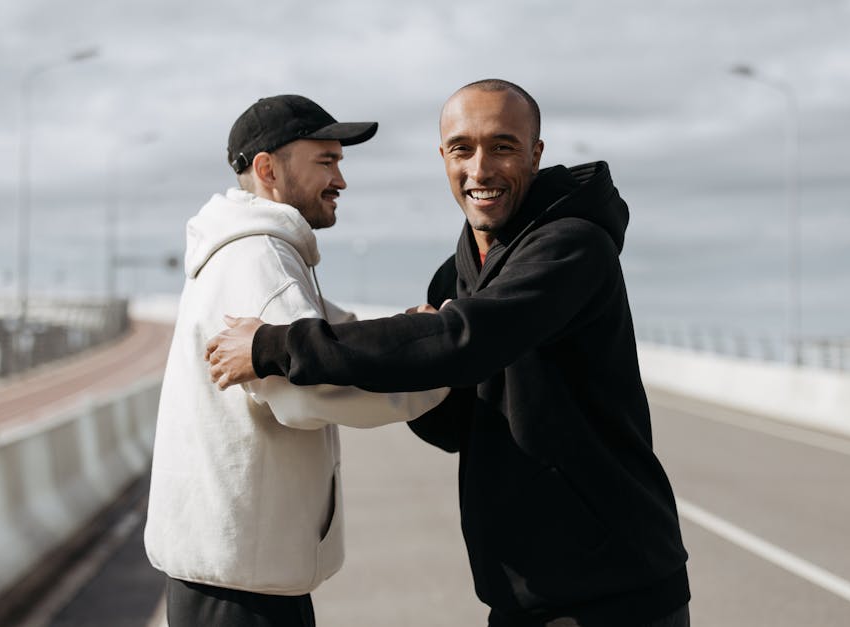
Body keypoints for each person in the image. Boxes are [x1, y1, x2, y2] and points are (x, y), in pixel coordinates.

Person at [205, 80, 690, 627]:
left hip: (617, 592)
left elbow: (466, 339)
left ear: (535, 154)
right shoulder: (455, 275)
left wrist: (274, 345)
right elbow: (454, 420)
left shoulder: (572, 246)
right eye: (462, 149)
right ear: (443, 158)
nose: (480, 169)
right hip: (519, 593)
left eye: (502, 147)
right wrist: (415, 365)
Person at [143, 94, 448, 627]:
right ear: (268, 169)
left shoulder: (251, 249)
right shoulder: (258, 257)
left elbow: (330, 332)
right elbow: (311, 388)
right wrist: (441, 369)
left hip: (235, 578)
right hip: (242, 594)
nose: (340, 180)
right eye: (326, 161)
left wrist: (411, 330)